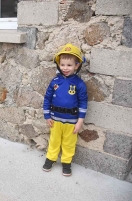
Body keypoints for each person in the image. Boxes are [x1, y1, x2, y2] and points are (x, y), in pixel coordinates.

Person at [42, 43, 88, 176]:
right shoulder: (55, 81)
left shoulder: (79, 84)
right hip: (55, 120)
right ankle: (50, 159)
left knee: (69, 143)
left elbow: (83, 103)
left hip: (71, 121)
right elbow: (47, 98)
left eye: (69, 65)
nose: (65, 68)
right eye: (62, 65)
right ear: (58, 64)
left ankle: (66, 162)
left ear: (77, 65)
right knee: (54, 140)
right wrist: (47, 116)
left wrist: (80, 121)